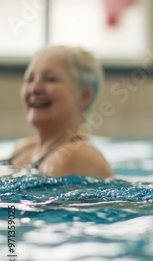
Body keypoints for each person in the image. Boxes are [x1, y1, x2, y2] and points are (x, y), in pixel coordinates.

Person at [0, 46, 114, 179]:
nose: (35, 88)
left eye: (50, 79)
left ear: (84, 95)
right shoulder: (24, 148)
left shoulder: (77, 155)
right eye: (30, 79)